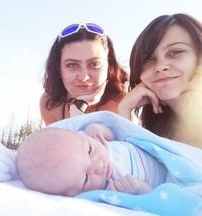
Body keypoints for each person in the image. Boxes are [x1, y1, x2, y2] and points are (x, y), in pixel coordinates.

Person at [117, 13, 202, 148]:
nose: (160, 67)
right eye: (148, 60)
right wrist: (124, 110)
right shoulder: (157, 136)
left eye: (175, 52)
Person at [16, 123, 167, 197]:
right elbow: (153, 198)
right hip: (167, 180)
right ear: (72, 194)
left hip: (163, 157)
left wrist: (96, 127)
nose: (99, 165)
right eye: (86, 177)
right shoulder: (110, 190)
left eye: (89, 150)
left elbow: (113, 134)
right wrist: (138, 189)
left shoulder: (90, 138)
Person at [40, 23, 129, 125]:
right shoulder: (51, 104)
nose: (84, 77)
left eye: (94, 64)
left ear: (109, 66)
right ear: (58, 69)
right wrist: (78, 108)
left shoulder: (122, 104)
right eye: (72, 65)